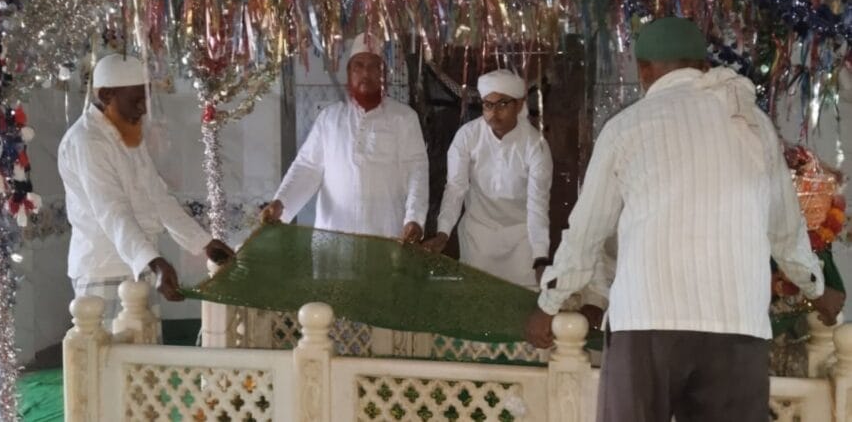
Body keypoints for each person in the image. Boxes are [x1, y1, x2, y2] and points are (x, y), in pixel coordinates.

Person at [524, 17, 845, 421]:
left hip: (647, 321)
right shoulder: (753, 125)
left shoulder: (627, 127)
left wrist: (549, 304)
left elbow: (586, 233)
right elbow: (785, 229)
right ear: (703, 66)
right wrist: (816, 288)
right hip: (737, 324)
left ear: (644, 70)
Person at [59, 53, 234, 331]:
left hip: (139, 267)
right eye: (136, 100)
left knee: (142, 356)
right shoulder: (87, 141)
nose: (143, 109)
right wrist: (155, 263)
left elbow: (158, 197)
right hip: (105, 270)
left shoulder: (125, 132)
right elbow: (112, 212)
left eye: (146, 100)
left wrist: (203, 243)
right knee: (106, 356)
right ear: (106, 95)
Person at [261, 33, 428, 242]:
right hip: (333, 239)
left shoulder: (404, 118)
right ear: (349, 73)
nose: (365, 73)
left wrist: (414, 219)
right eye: (359, 65)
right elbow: (307, 167)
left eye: (373, 66)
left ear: (382, 73)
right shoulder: (329, 118)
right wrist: (281, 203)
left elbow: (417, 171)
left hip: (386, 237)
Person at [422, 70, 552, 287]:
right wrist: (443, 233)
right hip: (478, 237)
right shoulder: (467, 136)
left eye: (502, 104)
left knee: (522, 301)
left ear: (519, 105)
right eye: (488, 105)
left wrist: (540, 256)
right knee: (478, 299)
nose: (494, 113)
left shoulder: (535, 146)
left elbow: (537, 205)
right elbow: (455, 188)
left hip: (522, 239)